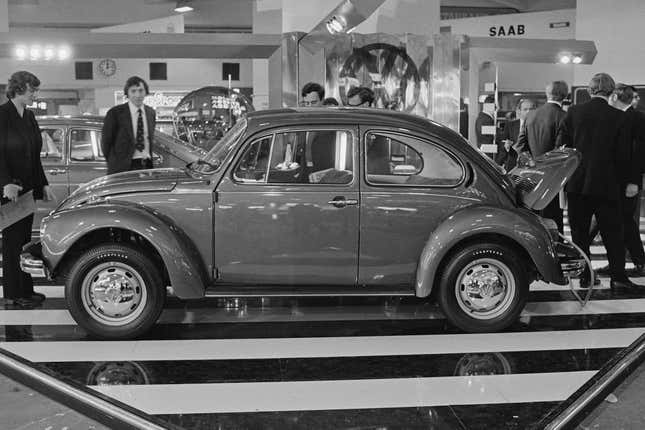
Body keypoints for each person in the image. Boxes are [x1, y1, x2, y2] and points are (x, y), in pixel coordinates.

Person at [557, 73, 642, 289]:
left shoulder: (574, 112)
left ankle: (586, 276)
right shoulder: (619, 117)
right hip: (609, 185)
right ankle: (618, 278)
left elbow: (562, 148)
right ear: (612, 92)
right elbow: (625, 156)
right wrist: (630, 182)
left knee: (579, 232)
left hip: (577, 184)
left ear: (589, 90)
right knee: (613, 233)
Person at [0, 71, 55, 308]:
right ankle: (13, 293)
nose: (35, 94)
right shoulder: (2, 115)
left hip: (28, 189)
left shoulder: (30, 117)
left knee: (23, 241)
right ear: (19, 88)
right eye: (33, 90)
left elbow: (35, 156)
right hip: (10, 190)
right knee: (12, 242)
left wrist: (43, 184)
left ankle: (26, 289)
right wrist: (5, 183)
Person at [595, 84, 645, 277]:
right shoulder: (619, 117)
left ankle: (637, 261)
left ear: (614, 97)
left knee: (624, 222)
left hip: (627, 182)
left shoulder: (637, 118)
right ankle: (621, 262)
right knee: (619, 222)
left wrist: (633, 182)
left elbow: (639, 153)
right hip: (614, 181)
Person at [517, 81, 569, 233]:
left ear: (547, 94)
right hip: (553, 179)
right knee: (553, 219)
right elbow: (560, 152)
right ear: (565, 96)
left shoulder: (531, 115)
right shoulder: (564, 116)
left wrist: (531, 165)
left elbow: (520, 145)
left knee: (532, 219)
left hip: (531, 177)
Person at [101, 76, 156, 174]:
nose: (138, 95)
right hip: (123, 167)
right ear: (127, 93)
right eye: (133, 91)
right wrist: (114, 163)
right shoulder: (115, 113)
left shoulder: (150, 113)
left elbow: (149, 139)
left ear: (145, 92)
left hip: (146, 165)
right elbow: (106, 142)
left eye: (141, 90)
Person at [495, 98, 535, 172]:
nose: (528, 112)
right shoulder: (510, 125)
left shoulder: (539, 126)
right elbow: (502, 146)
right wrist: (498, 165)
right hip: (513, 166)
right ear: (519, 111)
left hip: (533, 166)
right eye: (525, 109)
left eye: (531, 109)